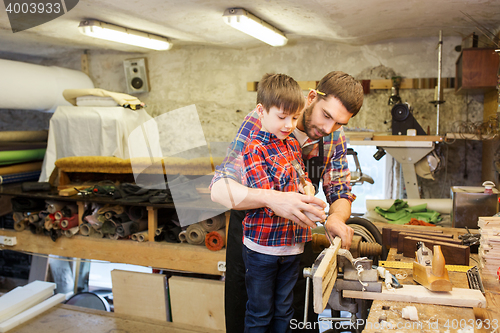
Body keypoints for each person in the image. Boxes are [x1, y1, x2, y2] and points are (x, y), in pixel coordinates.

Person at [211, 71, 364, 332]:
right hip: (254, 241)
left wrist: (336, 218)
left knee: (293, 316)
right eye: (326, 116)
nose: (328, 129)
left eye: (339, 123)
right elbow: (219, 188)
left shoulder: (334, 137)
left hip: (295, 245)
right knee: (251, 316)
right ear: (312, 97)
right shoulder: (263, 120)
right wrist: (273, 199)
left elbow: (339, 190)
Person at [240, 73, 314, 332]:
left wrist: (307, 187)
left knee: (285, 309)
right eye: (282, 117)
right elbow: (268, 195)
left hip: (292, 245)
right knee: (260, 313)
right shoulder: (254, 148)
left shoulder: (292, 143)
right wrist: (296, 197)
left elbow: (300, 175)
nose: (288, 124)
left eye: (294, 118)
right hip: (263, 247)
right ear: (261, 111)